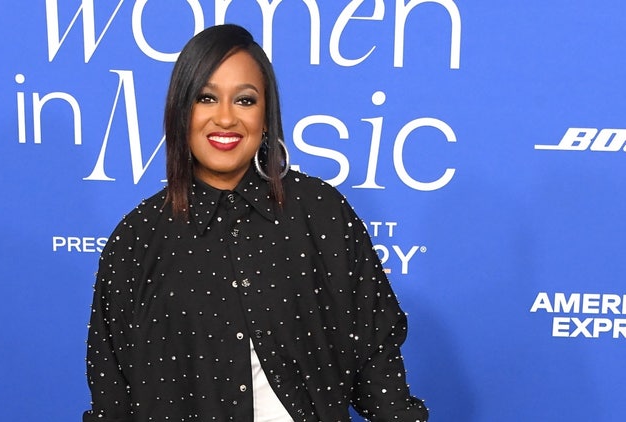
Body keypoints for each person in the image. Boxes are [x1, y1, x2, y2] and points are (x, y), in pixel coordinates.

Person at [83, 24, 428, 422]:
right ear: (180, 113)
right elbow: (112, 397)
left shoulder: (321, 213)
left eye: (244, 100)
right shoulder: (136, 240)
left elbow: (378, 366)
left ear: (266, 117)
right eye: (206, 98)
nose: (225, 118)